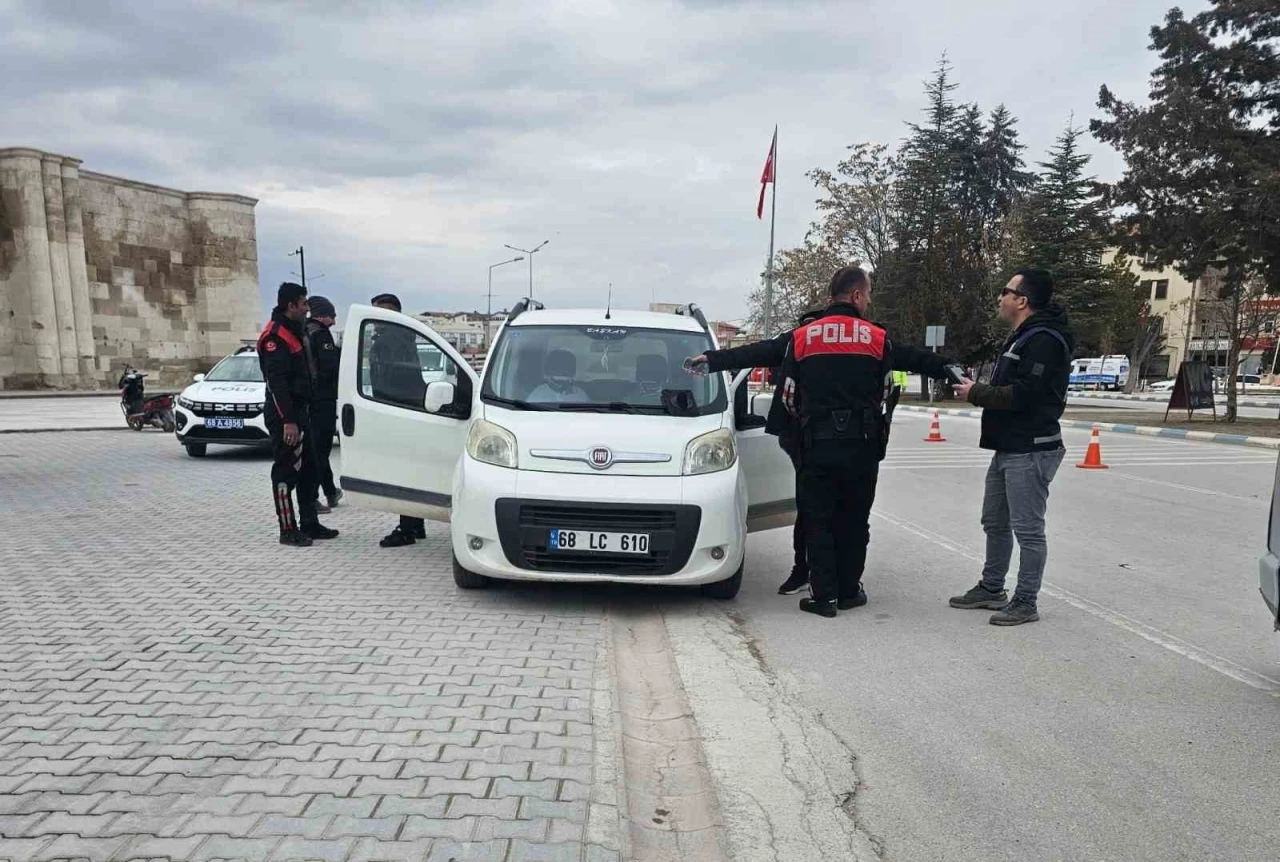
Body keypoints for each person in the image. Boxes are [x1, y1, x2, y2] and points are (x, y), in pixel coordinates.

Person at [690, 266, 953, 617]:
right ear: (856, 296)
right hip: (863, 445)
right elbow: (913, 358)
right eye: (868, 294)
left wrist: (713, 360)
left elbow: (758, 353)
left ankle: (823, 596)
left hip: (816, 445)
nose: (869, 300)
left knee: (818, 520)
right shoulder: (876, 337)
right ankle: (848, 591)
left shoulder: (804, 336)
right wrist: (949, 366)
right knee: (855, 519)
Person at [951, 269, 1074, 625]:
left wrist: (975, 392)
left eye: (1006, 291)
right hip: (1009, 447)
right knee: (995, 521)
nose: (999, 298)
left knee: (1028, 529)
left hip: (1032, 448)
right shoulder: (1022, 337)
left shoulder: (1044, 340)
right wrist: (979, 389)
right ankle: (992, 588)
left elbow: (1025, 395)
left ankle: (1026, 600)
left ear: (1022, 300)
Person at [259, 282, 339, 547]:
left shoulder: (296, 331)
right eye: (304, 304)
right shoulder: (275, 337)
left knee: (310, 469)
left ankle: (310, 523)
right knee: (285, 472)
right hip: (285, 416)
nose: (308, 308)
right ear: (290, 305)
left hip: (303, 412)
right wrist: (289, 421)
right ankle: (288, 529)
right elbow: (277, 383)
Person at [770, 307, 825, 597]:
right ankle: (802, 569)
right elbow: (754, 354)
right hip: (799, 441)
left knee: (831, 509)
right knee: (808, 509)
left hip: (832, 440)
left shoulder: (836, 352)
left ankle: (829, 573)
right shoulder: (792, 343)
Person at [369, 292, 429, 548]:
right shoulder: (405, 335)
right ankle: (415, 524)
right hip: (410, 407)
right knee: (411, 470)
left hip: (397, 409)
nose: (375, 321)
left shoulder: (388, 341)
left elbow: (390, 379)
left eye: (380, 313)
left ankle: (407, 528)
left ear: (392, 312)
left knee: (404, 472)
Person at [306, 296, 342, 512]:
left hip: (309, 401)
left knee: (316, 450)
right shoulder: (321, 334)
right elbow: (329, 368)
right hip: (323, 400)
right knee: (321, 450)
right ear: (321, 315)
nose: (334, 322)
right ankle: (319, 495)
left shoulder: (304, 331)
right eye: (332, 316)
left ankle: (328, 491)